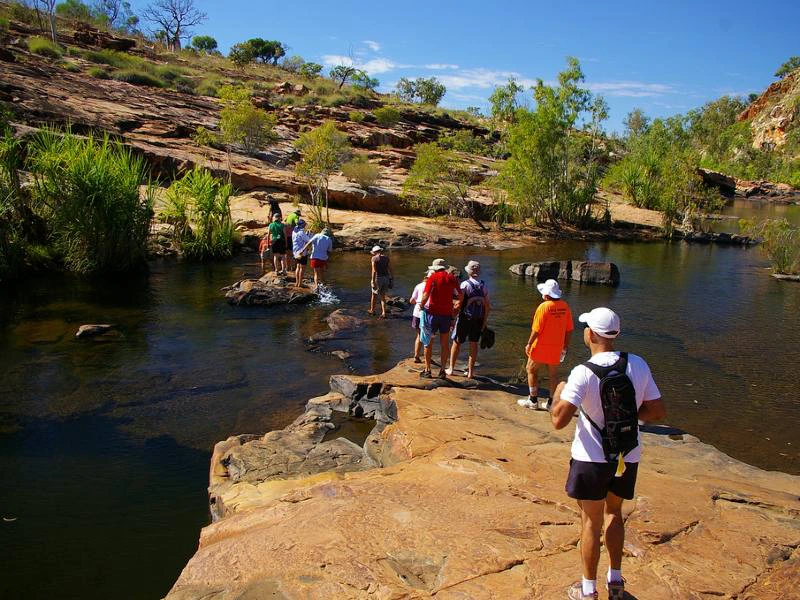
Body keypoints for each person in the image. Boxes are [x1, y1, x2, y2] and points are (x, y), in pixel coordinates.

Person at [550, 307, 665, 600]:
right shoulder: (637, 364)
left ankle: (588, 590)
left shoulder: (582, 372)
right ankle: (615, 583)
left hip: (591, 458)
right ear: (615, 334)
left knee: (591, 521)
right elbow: (657, 412)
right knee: (614, 512)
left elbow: (558, 421)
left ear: (590, 335)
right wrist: (625, 417)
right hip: (627, 455)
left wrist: (558, 391)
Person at [519, 279, 573, 410]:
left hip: (540, 345)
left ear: (546, 295)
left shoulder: (543, 307)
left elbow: (536, 329)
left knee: (531, 369)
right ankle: (551, 403)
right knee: (553, 374)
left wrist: (529, 343)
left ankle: (533, 400)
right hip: (557, 345)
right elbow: (569, 329)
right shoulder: (565, 306)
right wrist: (565, 345)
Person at [419, 258, 461, 379]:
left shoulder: (432, 278)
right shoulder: (451, 278)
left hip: (432, 314)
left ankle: (428, 370)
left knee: (428, 342)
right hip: (446, 315)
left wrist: (421, 306)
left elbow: (426, 295)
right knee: (444, 343)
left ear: (435, 269)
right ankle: (442, 370)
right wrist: (456, 309)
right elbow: (460, 295)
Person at [447, 260, 490, 379]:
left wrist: (452, 318)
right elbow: (487, 305)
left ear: (469, 272)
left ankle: (451, 369)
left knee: (457, 342)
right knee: (474, 343)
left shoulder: (464, 285)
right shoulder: (484, 285)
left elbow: (458, 304)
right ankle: (471, 372)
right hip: (478, 318)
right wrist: (484, 322)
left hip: (465, 318)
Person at [408, 270, 431, 363]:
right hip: (428, 312)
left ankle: (416, 356)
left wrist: (417, 302)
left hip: (417, 312)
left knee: (419, 335)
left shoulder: (419, 286)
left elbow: (411, 300)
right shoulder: (434, 286)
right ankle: (427, 358)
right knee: (428, 336)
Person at [368, 246, 393, 318]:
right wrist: (392, 278)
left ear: (375, 252)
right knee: (383, 296)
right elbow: (390, 269)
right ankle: (384, 312)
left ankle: (372, 310)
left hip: (378, 278)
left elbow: (374, 270)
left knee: (374, 295)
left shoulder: (374, 258)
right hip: (386, 278)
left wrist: (372, 281)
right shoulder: (386, 258)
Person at [291, 219, 311, 287]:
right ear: (302, 225)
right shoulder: (301, 232)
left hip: (295, 252)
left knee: (298, 266)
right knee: (302, 268)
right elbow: (308, 240)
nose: (305, 225)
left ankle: (297, 283)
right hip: (302, 252)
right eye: (304, 224)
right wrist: (309, 234)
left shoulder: (294, 231)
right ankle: (300, 283)